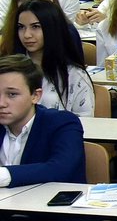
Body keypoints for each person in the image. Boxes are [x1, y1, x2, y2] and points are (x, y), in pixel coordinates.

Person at [0, 54, 85, 187]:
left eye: (12, 94)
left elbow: (61, 168)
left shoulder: (63, 123)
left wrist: (4, 175)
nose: (1, 103)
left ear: (35, 96)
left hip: (49, 205)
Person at [11, 0, 93, 116]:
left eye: (35, 27)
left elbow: (86, 123)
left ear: (51, 28)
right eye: (21, 27)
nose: (27, 35)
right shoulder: (10, 71)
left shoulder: (75, 74)